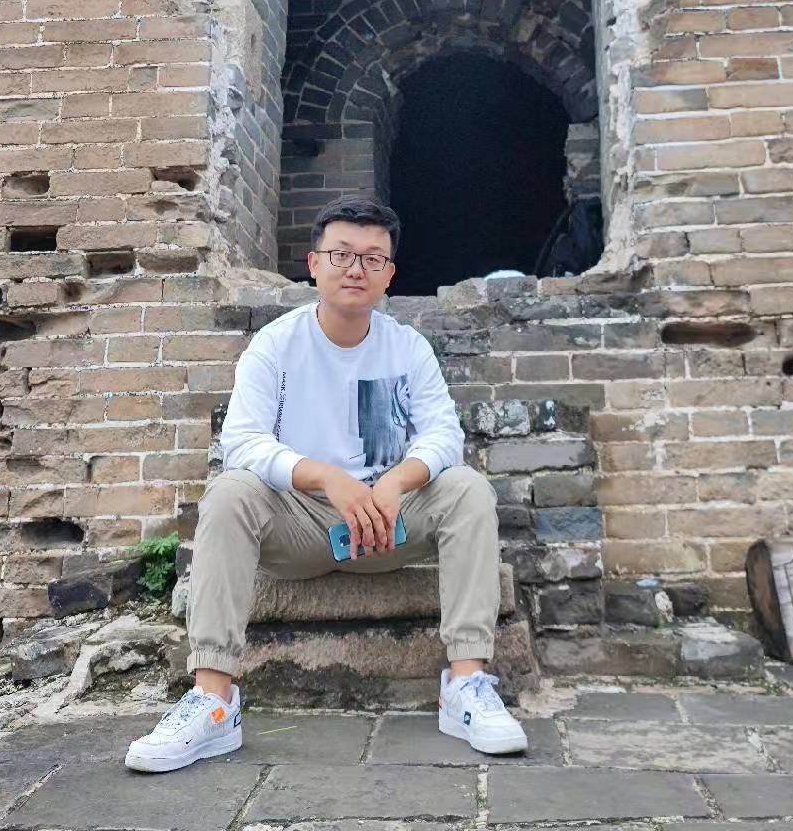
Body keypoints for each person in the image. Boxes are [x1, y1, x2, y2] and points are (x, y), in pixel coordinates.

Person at [125, 196, 527, 772]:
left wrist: (395, 483)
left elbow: (443, 436)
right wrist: (325, 477)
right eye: (341, 254)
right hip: (300, 524)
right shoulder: (275, 344)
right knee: (230, 492)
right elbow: (243, 441)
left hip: (387, 525)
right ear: (314, 264)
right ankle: (213, 702)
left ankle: (466, 687)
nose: (355, 268)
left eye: (372, 258)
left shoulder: (407, 347)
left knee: (466, 488)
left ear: (389, 274)